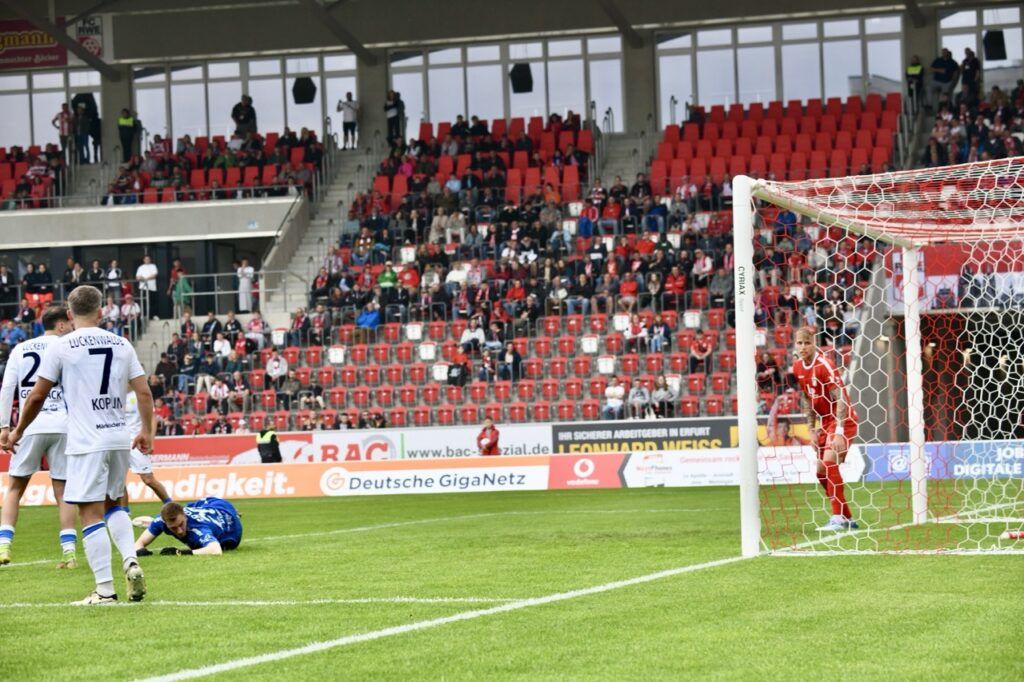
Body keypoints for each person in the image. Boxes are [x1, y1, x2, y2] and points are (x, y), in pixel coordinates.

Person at [7, 286, 153, 605]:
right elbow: (144, 392)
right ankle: (130, 560)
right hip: (118, 438)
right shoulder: (121, 343)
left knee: (90, 513)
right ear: (101, 312)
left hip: (87, 441)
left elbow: (36, 395)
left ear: (70, 315)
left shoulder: (62, 346)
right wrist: (147, 432)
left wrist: (18, 430)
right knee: (115, 503)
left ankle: (104, 590)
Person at [0, 306, 78, 568]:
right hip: (62, 424)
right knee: (63, 491)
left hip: (29, 425)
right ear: (60, 325)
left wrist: (4, 427)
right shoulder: (68, 347)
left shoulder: (20, 349)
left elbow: (7, 388)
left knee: (14, 489)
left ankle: (3, 547)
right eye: (68, 323)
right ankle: (69, 553)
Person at [792, 327, 859, 532]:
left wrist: (839, 430)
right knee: (821, 472)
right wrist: (811, 429)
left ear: (814, 343)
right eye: (799, 343)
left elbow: (840, 399)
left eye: (807, 343)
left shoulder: (825, 365)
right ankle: (847, 517)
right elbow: (806, 399)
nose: (803, 347)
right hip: (825, 423)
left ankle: (837, 517)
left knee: (829, 463)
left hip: (843, 420)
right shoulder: (797, 368)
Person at [135, 497, 242, 556]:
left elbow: (215, 549)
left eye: (181, 524)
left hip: (230, 525)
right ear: (165, 523)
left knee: (231, 515)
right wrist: (140, 550)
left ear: (185, 516)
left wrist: (181, 552)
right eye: (173, 528)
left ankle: (235, 513)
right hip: (204, 509)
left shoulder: (199, 528)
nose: (180, 531)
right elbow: (139, 543)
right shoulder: (160, 520)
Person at [123, 390, 173, 505]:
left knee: (148, 479)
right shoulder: (112, 392)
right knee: (119, 483)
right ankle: (124, 515)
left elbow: (152, 418)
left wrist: (150, 439)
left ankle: (171, 506)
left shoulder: (139, 394)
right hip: (118, 441)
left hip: (137, 442)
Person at [135, 254, 158, 319]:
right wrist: (143, 278)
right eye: (146, 259)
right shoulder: (140, 267)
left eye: (148, 259)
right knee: (143, 302)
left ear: (150, 260)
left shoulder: (153, 266)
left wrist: (144, 278)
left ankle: (153, 315)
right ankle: (144, 315)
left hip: (152, 287)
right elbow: (137, 277)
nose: (147, 260)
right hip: (143, 287)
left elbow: (154, 275)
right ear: (144, 260)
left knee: (153, 302)